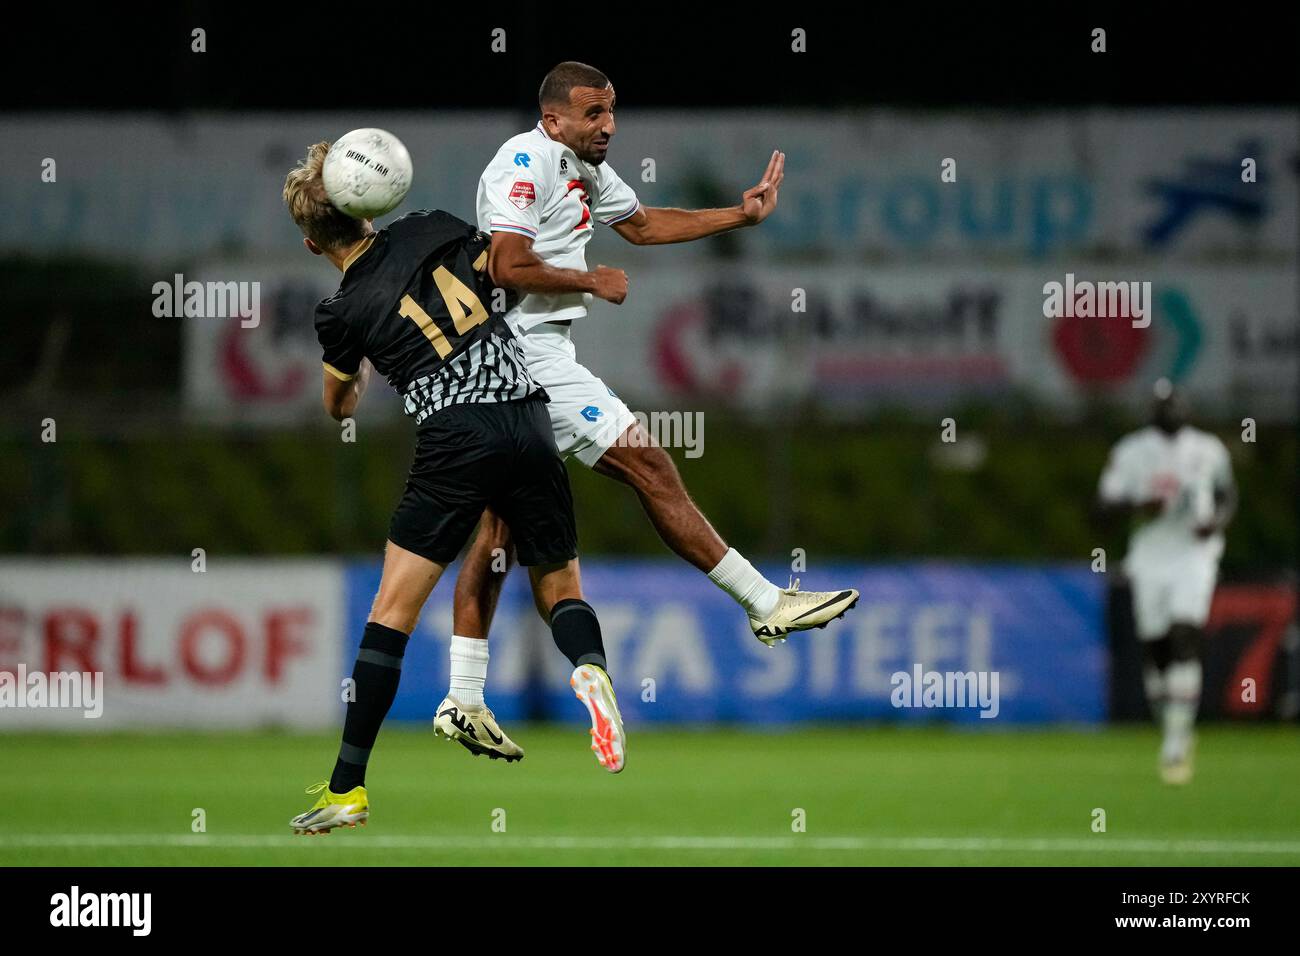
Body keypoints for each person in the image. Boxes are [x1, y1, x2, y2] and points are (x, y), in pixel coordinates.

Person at [441, 63, 860, 759]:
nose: (608, 126)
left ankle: (463, 697)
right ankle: (765, 605)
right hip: (521, 354)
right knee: (649, 463)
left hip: (521, 359)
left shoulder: (583, 167)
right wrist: (587, 279)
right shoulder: (526, 159)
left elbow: (640, 226)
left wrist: (740, 214)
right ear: (553, 120)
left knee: (500, 530)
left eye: (612, 113)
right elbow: (504, 264)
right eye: (592, 114)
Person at [282, 141, 625, 834]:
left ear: (315, 243)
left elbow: (337, 407)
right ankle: (590, 667)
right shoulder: (433, 226)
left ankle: (348, 788)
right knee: (560, 588)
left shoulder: (343, 311)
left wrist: (359, 378)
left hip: (454, 438)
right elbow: (505, 274)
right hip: (528, 414)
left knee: (391, 614)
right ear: (372, 211)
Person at [1097, 379, 1236, 784]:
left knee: (1183, 632)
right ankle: (1172, 726)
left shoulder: (1208, 449)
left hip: (1193, 555)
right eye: (1163, 406)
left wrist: (1217, 524)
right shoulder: (1131, 452)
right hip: (1150, 557)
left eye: (1176, 404)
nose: (1171, 412)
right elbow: (1102, 508)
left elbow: (1227, 495)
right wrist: (1141, 504)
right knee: (1156, 648)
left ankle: (1177, 739)